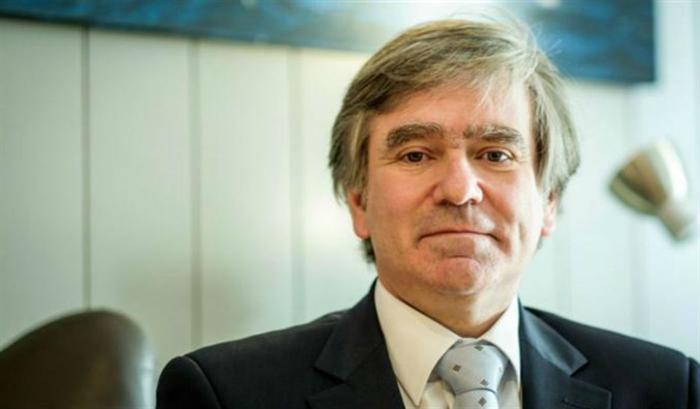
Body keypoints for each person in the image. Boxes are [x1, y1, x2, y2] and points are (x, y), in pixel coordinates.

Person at [156, 17, 700, 409]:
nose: (460, 191)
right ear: (358, 201)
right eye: (416, 155)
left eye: (496, 155)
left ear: (549, 203)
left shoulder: (668, 389)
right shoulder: (225, 392)